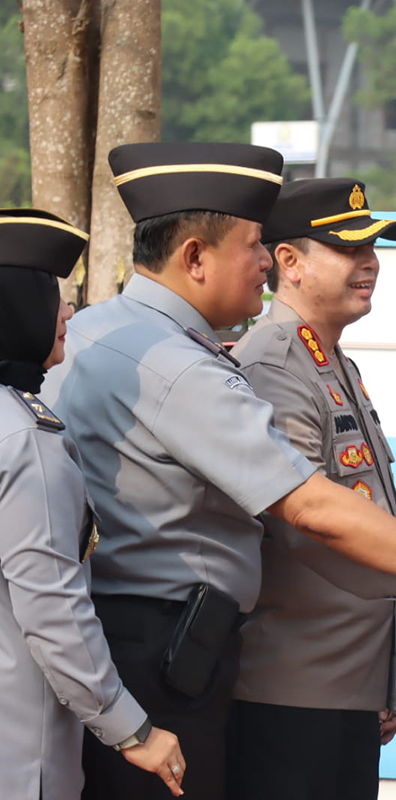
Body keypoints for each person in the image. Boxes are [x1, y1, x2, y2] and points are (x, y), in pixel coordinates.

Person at [41, 142, 396, 800]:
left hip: (140, 643)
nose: (265, 262)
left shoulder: (97, 329)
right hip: (171, 652)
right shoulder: (178, 364)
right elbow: (309, 509)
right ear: (195, 257)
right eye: (256, 245)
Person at [226, 178, 396, 799]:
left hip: (348, 683)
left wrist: (391, 669)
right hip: (290, 690)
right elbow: (307, 526)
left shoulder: (330, 359)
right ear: (290, 262)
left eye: (373, 248)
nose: (369, 264)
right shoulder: (274, 366)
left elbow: (372, 513)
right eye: (349, 249)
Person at [0, 208, 185, 799]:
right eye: (49, 297)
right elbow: (51, 606)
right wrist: (132, 730)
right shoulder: (24, 438)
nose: (67, 314)